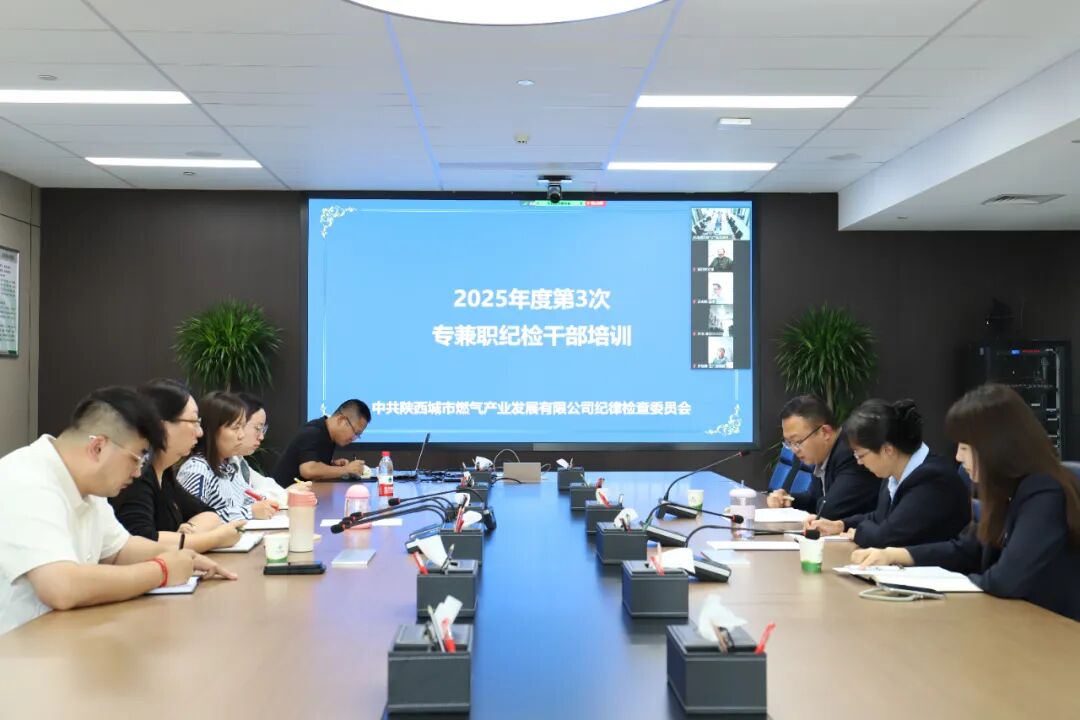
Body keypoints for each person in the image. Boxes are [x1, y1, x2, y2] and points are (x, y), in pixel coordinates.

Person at [0, 387, 235, 635]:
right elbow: (61, 587)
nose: (138, 472)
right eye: (136, 458)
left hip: (61, 635)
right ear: (98, 448)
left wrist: (183, 556)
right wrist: (162, 570)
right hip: (17, 647)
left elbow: (119, 550)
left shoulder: (88, 485)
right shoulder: (26, 480)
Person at [853, 385, 1080, 620]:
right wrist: (895, 555)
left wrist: (945, 584)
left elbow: (1005, 580)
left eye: (964, 447)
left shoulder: (1044, 491)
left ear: (996, 447)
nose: (958, 457)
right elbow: (967, 550)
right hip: (1015, 619)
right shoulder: (1004, 491)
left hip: (1055, 628)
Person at [805, 399, 970, 548]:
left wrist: (859, 533)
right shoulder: (893, 473)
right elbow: (879, 517)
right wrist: (840, 525)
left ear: (887, 450)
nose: (859, 462)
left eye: (860, 455)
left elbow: (885, 537)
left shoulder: (931, 479)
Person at [112, 379, 245, 552]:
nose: (200, 432)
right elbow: (140, 540)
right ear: (161, 426)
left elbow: (209, 514)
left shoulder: (164, 473)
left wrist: (188, 532)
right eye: (193, 421)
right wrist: (214, 539)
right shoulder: (136, 474)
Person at [767, 395, 880, 520]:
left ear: (825, 432)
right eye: (789, 443)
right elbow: (815, 499)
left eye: (797, 442)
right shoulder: (824, 454)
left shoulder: (850, 453)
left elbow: (830, 510)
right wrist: (788, 499)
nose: (794, 450)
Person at [178, 392, 276, 522]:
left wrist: (263, 504)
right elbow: (193, 522)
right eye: (235, 428)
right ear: (212, 429)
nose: (241, 435)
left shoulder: (228, 466)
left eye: (242, 427)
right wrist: (250, 511)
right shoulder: (197, 471)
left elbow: (248, 498)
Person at [271, 399, 371, 487]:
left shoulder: (329, 434)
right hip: (282, 498)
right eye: (356, 432)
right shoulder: (312, 432)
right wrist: (346, 470)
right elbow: (308, 470)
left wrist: (332, 464)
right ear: (341, 420)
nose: (354, 438)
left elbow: (310, 461)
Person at [231, 392, 290, 506]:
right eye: (257, 428)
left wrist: (285, 493)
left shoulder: (239, 460)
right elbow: (244, 501)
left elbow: (266, 485)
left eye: (263, 429)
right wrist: (287, 492)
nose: (261, 437)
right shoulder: (210, 465)